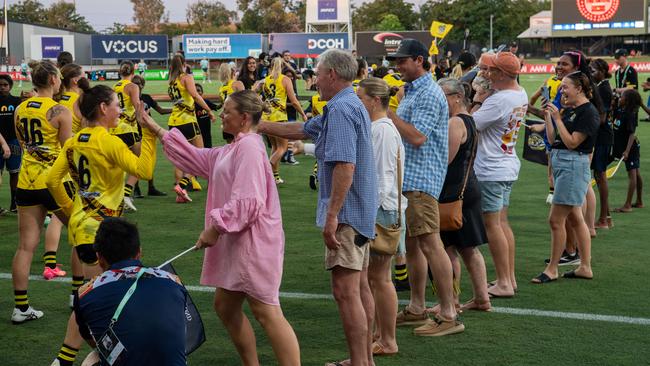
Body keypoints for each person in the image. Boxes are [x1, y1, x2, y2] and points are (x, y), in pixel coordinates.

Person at [159, 89, 300, 366]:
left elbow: (249, 201)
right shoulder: (236, 145)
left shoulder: (248, 146)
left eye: (227, 111)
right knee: (225, 307)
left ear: (244, 118)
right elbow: (199, 159)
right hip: (239, 241)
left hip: (252, 242)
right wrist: (153, 127)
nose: (221, 115)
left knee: (266, 311)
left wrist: (215, 227)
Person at [258, 49, 378, 366]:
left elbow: (345, 166)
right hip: (362, 211)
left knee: (346, 291)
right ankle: (364, 360)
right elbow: (303, 129)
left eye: (318, 72)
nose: (315, 79)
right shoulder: (347, 103)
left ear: (332, 75)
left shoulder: (340, 109)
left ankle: (360, 362)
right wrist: (263, 124)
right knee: (360, 287)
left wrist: (332, 215)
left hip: (349, 215)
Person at [46, 84, 158, 366]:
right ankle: (78, 358)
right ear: (103, 108)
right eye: (116, 105)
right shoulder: (108, 141)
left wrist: (73, 210)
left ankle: (70, 358)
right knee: (98, 300)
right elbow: (144, 171)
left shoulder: (73, 141)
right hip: (101, 231)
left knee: (94, 295)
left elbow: (51, 181)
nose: (120, 109)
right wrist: (149, 134)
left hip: (83, 227)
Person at [385, 39, 463, 336]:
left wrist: (389, 115)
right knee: (416, 246)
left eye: (402, 61)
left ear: (419, 60)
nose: (397, 66)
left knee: (431, 243)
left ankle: (448, 314)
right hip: (411, 179)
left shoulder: (429, 93)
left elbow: (417, 137)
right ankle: (418, 307)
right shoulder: (414, 91)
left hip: (421, 180)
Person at [72, 218, 188, 366]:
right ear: (139, 252)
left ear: (99, 258)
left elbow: (93, 341)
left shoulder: (85, 294)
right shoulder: (173, 281)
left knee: (90, 360)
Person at [11, 60, 72, 324]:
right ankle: (79, 296)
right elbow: (68, 150)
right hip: (54, 182)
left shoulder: (21, 108)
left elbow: (23, 143)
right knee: (81, 236)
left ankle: (20, 308)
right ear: (52, 81)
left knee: (25, 247)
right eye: (58, 77)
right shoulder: (60, 110)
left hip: (26, 182)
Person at [471, 51, 528, 297]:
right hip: (505, 165)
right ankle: (508, 277)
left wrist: (478, 98)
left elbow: (469, 124)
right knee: (502, 223)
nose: (486, 74)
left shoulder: (498, 100)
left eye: (491, 71)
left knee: (492, 225)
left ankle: (504, 282)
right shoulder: (519, 93)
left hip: (491, 168)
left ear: (502, 74)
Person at [533, 71, 598, 283]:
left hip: (572, 165)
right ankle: (585, 267)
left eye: (565, 87)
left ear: (579, 88)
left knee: (555, 219)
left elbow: (572, 142)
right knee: (575, 218)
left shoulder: (588, 112)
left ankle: (552, 269)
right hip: (564, 164)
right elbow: (553, 139)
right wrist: (549, 117)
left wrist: (558, 117)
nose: (562, 91)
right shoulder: (571, 110)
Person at [357, 77, 404, 356]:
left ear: (375, 100)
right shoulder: (380, 127)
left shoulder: (382, 130)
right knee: (376, 278)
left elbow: (383, 178)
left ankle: (388, 339)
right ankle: (381, 335)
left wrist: (368, 215)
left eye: (361, 97)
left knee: (380, 278)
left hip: (381, 212)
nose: (358, 102)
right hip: (382, 209)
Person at [438, 78, 491, 312]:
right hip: (467, 188)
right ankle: (481, 298)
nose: (439, 102)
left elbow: (444, 161)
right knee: (469, 248)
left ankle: (452, 302)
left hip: (454, 192)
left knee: (448, 249)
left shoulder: (455, 123)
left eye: (443, 97)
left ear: (457, 96)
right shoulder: (470, 120)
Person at [168, 54, 214, 203]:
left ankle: (179, 193)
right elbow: (195, 96)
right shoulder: (186, 77)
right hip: (187, 121)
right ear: (184, 63)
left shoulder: (171, 81)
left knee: (180, 159)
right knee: (199, 157)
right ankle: (182, 186)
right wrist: (209, 110)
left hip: (173, 122)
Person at [257, 57, 306, 184]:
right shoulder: (285, 79)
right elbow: (294, 101)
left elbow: (258, 95)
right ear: (283, 65)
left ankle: (275, 176)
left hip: (266, 117)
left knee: (274, 146)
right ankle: (266, 168)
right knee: (282, 148)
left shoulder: (266, 80)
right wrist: (303, 114)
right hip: (279, 117)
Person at [110, 61, 142, 211]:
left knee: (117, 165)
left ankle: (116, 196)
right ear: (133, 73)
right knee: (138, 164)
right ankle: (127, 194)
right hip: (129, 130)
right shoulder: (132, 86)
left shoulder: (114, 87)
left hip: (114, 130)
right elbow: (137, 107)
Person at [131, 75, 170, 197]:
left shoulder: (146, 97)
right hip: (135, 131)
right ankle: (135, 188)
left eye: (139, 83)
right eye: (135, 83)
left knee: (150, 158)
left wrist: (175, 109)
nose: (138, 86)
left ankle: (151, 187)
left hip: (148, 131)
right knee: (137, 159)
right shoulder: (129, 98)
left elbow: (160, 110)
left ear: (143, 85)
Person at [590, 58, 615, 229]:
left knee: (600, 176)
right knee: (599, 177)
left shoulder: (604, 89)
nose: (591, 74)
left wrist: (585, 125)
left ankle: (604, 219)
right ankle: (607, 216)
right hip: (600, 137)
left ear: (602, 71)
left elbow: (602, 118)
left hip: (602, 137)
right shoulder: (600, 87)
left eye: (593, 71)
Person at [613, 89, 644, 212]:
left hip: (630, 148)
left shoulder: (630, 114)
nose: (620, 98)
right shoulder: (620, 110)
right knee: (636, 173)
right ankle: (640, 201)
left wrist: (626, 151)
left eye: (622, 97)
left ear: (627, 101)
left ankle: (628, 205)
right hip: (624, 147)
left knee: (632, 175)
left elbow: (632, 134)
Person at [0, 74, 22, 213]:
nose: (2, 88)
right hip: (0, 141)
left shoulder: (16, 101)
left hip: (14, 141)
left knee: (15, 173)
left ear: (10, 86)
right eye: (0, 85)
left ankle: (14, 203)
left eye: (5, 85)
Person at [57, 64, 87, 134]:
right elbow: (86, 131)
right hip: (73, 142)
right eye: (84, 77)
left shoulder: (57, 97)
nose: (87, 80)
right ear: (75, 80)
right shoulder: (81, 100)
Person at [195, 83, 219, 148]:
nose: (197, 92)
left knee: (208, 147)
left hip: (207, 132)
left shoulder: (206, 102)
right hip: (197, 133)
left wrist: (224, 102)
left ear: (202, 92)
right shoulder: (191, 105)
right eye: (195, 91)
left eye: (199, 90)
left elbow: (216, 107)